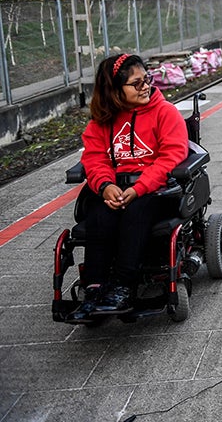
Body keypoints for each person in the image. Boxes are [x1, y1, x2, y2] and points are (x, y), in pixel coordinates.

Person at [67, 53, 189, 323]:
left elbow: (171, 156)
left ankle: (123, 286)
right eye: (136, 83)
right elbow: (95, 158)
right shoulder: (101, 122)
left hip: (155, 189)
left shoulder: (164, 113)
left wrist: (140, 187)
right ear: (114, 90)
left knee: (135, 213)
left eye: (146, 79)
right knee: (99, 214)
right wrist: (105, 186)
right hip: (114, 187)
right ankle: (95, 288)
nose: (146, 86)